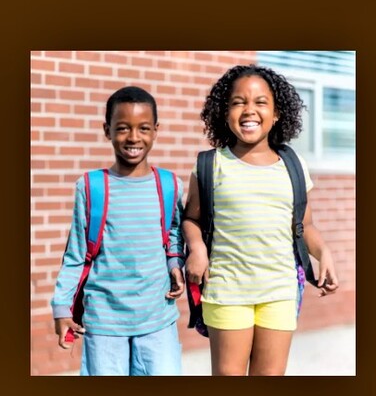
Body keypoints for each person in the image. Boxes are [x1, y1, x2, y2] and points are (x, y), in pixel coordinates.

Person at [183, 65, 338, 376]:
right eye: (238, 102)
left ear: (277, 113)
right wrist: (197, 248)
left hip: (279, 291)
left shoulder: (293, 165)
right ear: (224, 112)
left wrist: (324, 254)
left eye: (260, 102)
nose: (248, 110)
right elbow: (191, 218)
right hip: (227, 290)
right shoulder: (210, 165)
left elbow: (304, 225)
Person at [52, 86, 185, 376]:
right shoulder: (90, 186)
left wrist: (175, 264)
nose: (134, 138)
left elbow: (174, 232)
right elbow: (75, 254)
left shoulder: (170, 184)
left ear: (156, 130)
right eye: (123, 128)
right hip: (104, 324)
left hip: (157, 320)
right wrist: (62, 307)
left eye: (143, 128)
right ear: (107, 130)